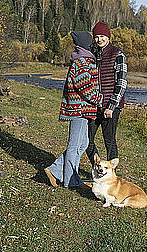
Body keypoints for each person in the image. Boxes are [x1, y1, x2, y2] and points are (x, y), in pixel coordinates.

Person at [44, 31, 103, 188]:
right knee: (74, 144)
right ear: (87, 44)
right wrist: (99, 99)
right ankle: (70, 180)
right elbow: (84, 86)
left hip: (83, 109)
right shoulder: (81, 61)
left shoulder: (83, 59)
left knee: (83, 143)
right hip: (79, 109)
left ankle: (55, 170)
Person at [85, 21, 127, 166]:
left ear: (108, 37)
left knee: (109, 141)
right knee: (87, 140)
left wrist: (111, 106)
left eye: (102, 36)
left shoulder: (117, 54)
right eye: (97, 36)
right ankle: (98, 168)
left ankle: (111, 176)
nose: (99, 39)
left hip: (110, 106)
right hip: (94, 105)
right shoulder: (93, 54)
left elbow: (121, 83)